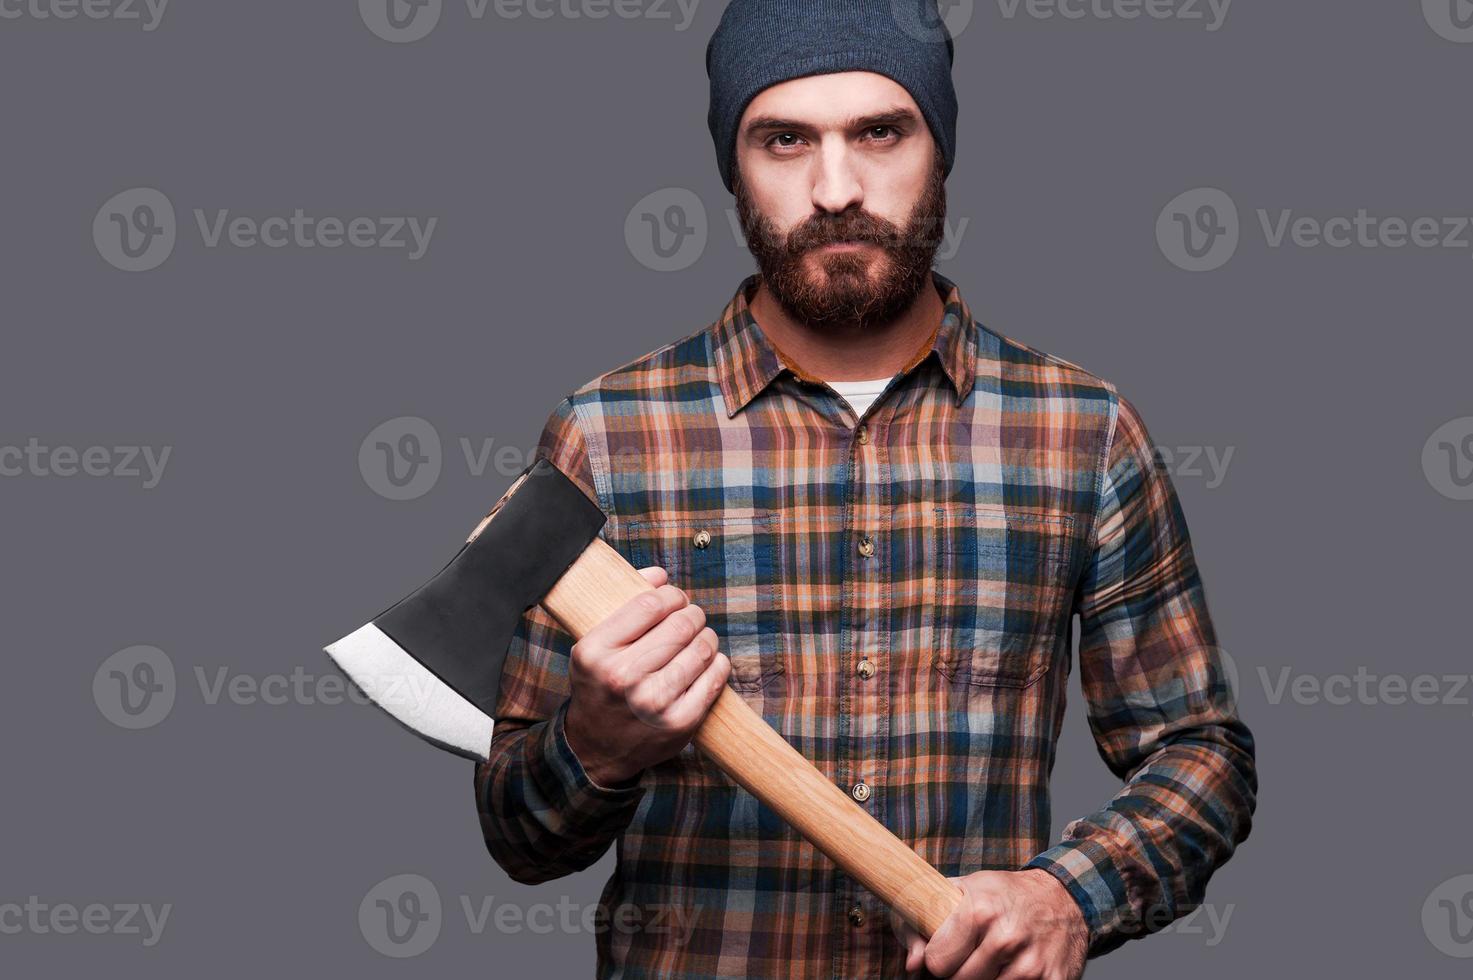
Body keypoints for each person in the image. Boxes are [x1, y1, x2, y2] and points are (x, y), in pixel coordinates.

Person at [475, 2, 1257, 977]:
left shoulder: (1082, 433)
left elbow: (1200, 755)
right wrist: (595, 741)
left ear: (941, 147)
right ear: (732, 164)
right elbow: (519, 835)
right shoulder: (607, 435)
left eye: (880, 132)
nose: (836, 187)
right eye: (784, 139)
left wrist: (1068, 892)